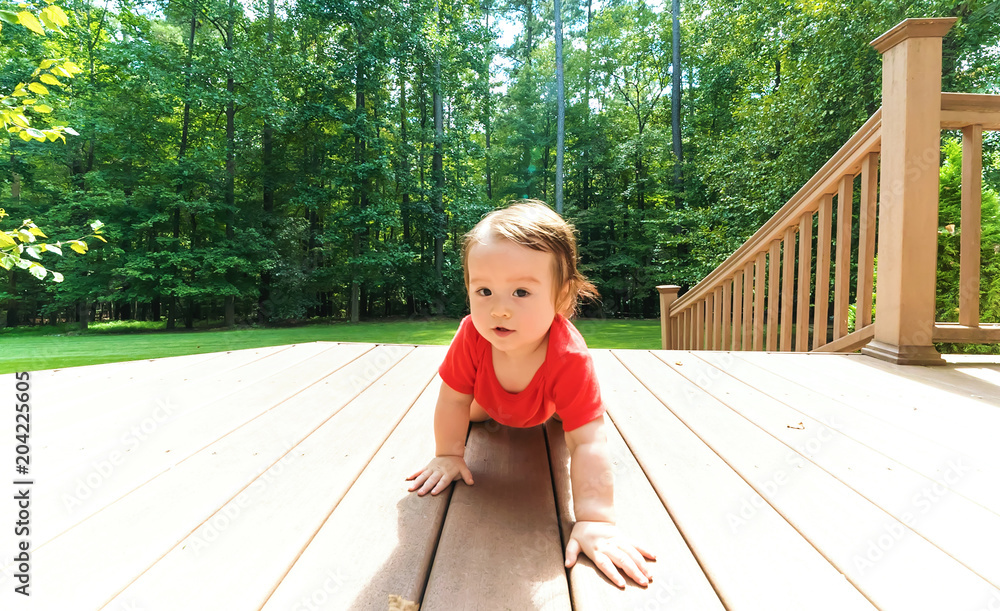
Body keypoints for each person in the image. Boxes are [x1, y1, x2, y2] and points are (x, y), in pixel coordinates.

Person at [406, 200, 654, 588]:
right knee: (470, 412)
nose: (499, 310)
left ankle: (562, 409)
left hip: (548, 403)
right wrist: (448, 455)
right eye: (484, 290)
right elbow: (453, 398)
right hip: (487, 401)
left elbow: (588, 441)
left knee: (576, 421)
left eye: (521, 292)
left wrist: (595, 520)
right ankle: (500, 411)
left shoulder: (568, 356)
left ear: (561, 295)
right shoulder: (471, 335)